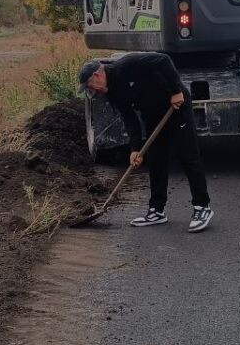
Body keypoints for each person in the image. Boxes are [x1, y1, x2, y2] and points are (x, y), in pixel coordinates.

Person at [79, 53, 213, 232]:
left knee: (187, 155)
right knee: (156, 160)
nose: (92, 91)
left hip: (176, 106)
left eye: (90, 86)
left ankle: (202, 207)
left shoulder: (126, 65)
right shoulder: (112, 93)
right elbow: (129, 119)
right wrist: (135, 149)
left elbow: (163, 60)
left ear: (97, 75)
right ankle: (157, 210)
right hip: (153, 116)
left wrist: (175, 91)